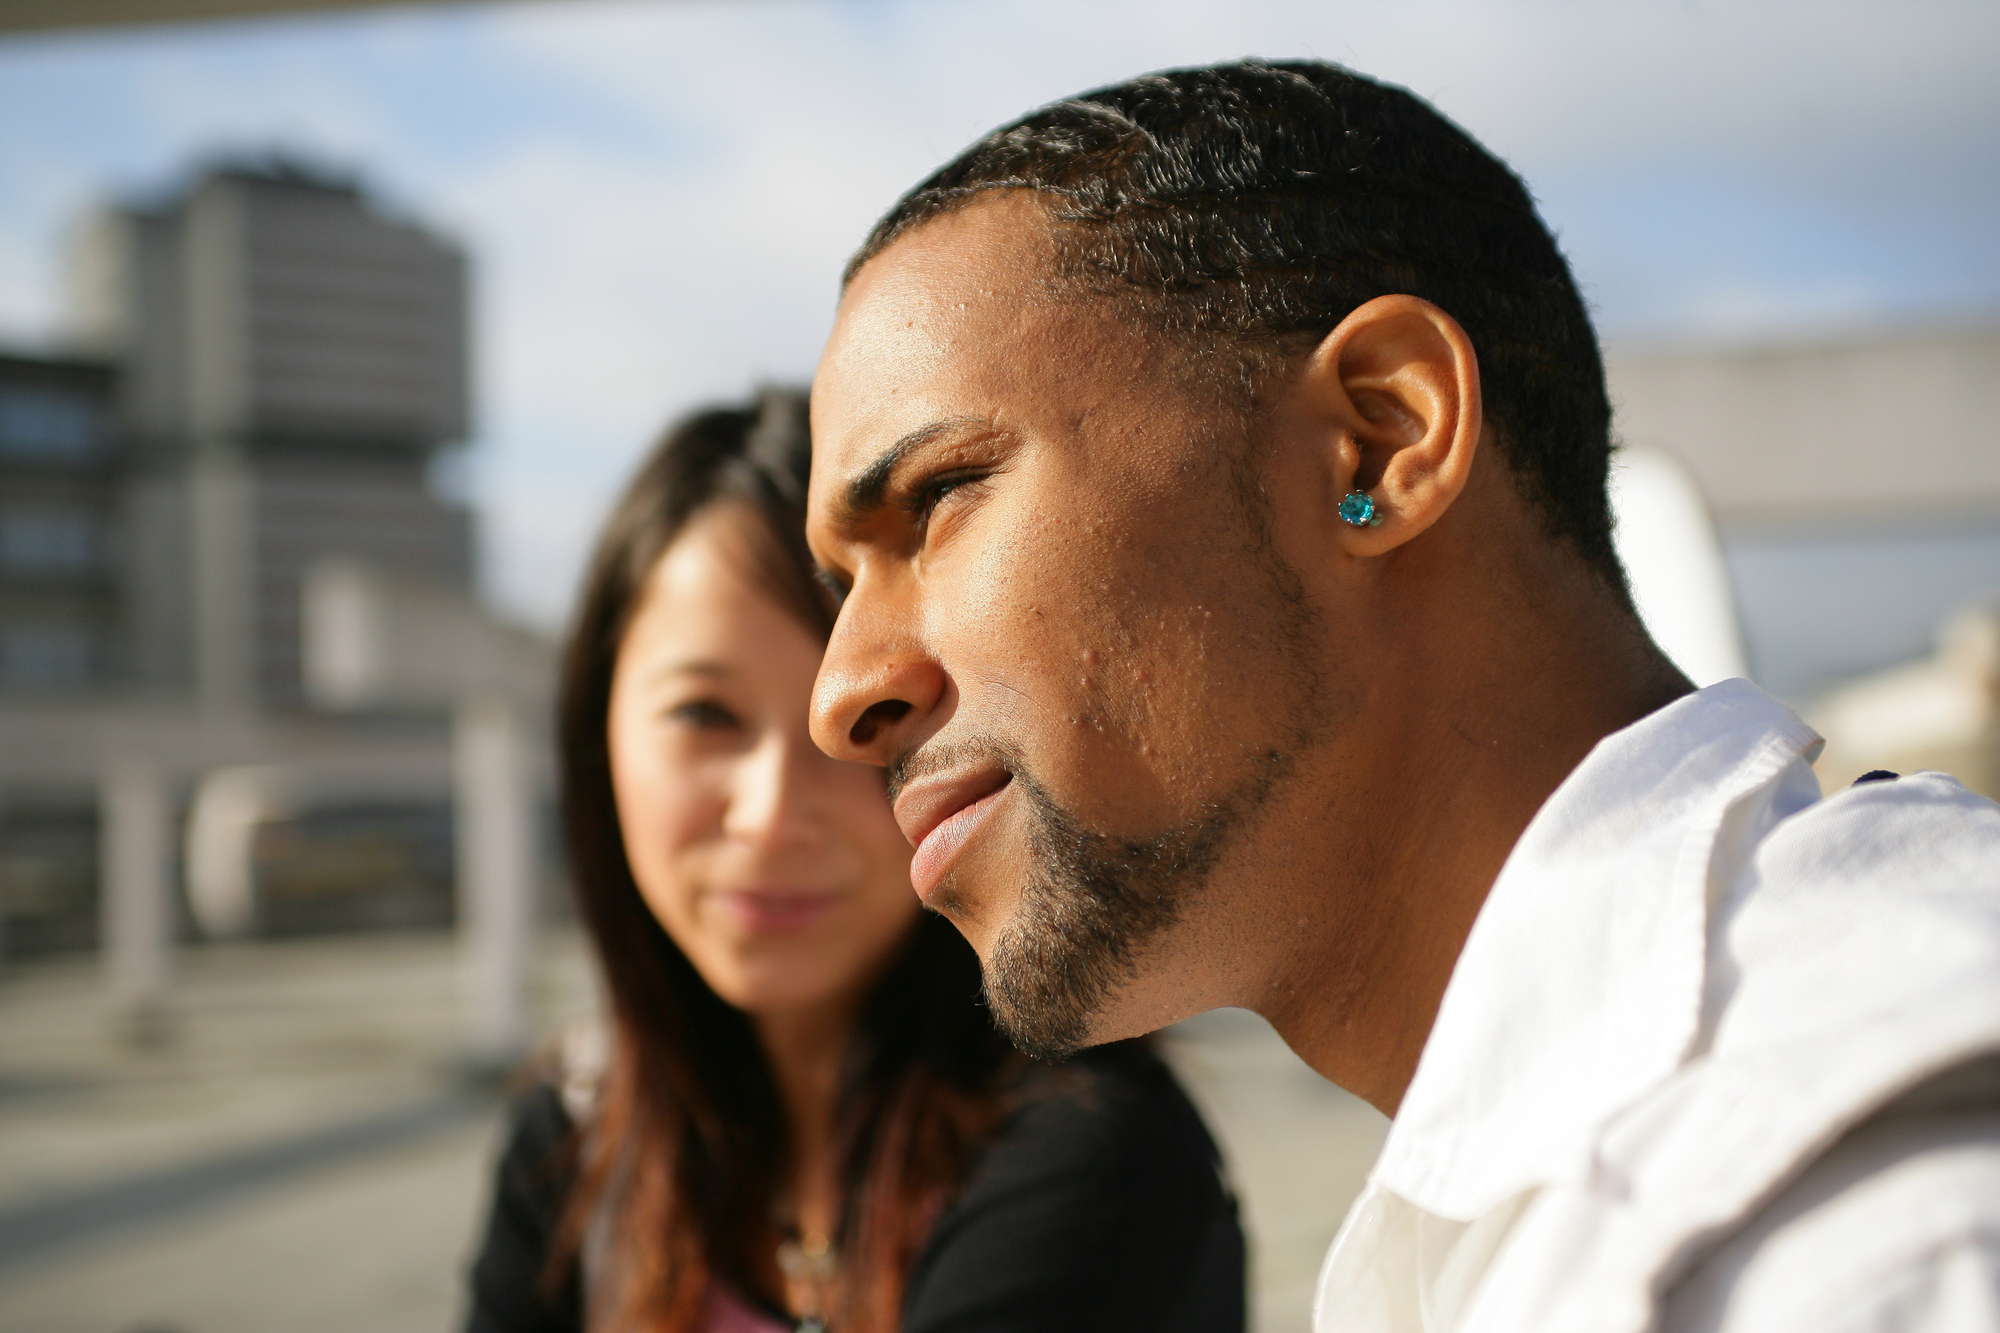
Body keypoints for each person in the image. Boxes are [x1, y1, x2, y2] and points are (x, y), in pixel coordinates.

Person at [803, 60, 2000, 1333]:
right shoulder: (1558, 1187)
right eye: (835, 583)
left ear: (1375, 440)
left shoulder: (1863, 1212)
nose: (839, 692)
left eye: (937, 497)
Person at [463, 390, 1244, 1333]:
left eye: (855, 724)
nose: (772, 815)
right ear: (599, 734)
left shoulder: (1093, 1156)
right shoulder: (575, 1141)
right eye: (705, 714)